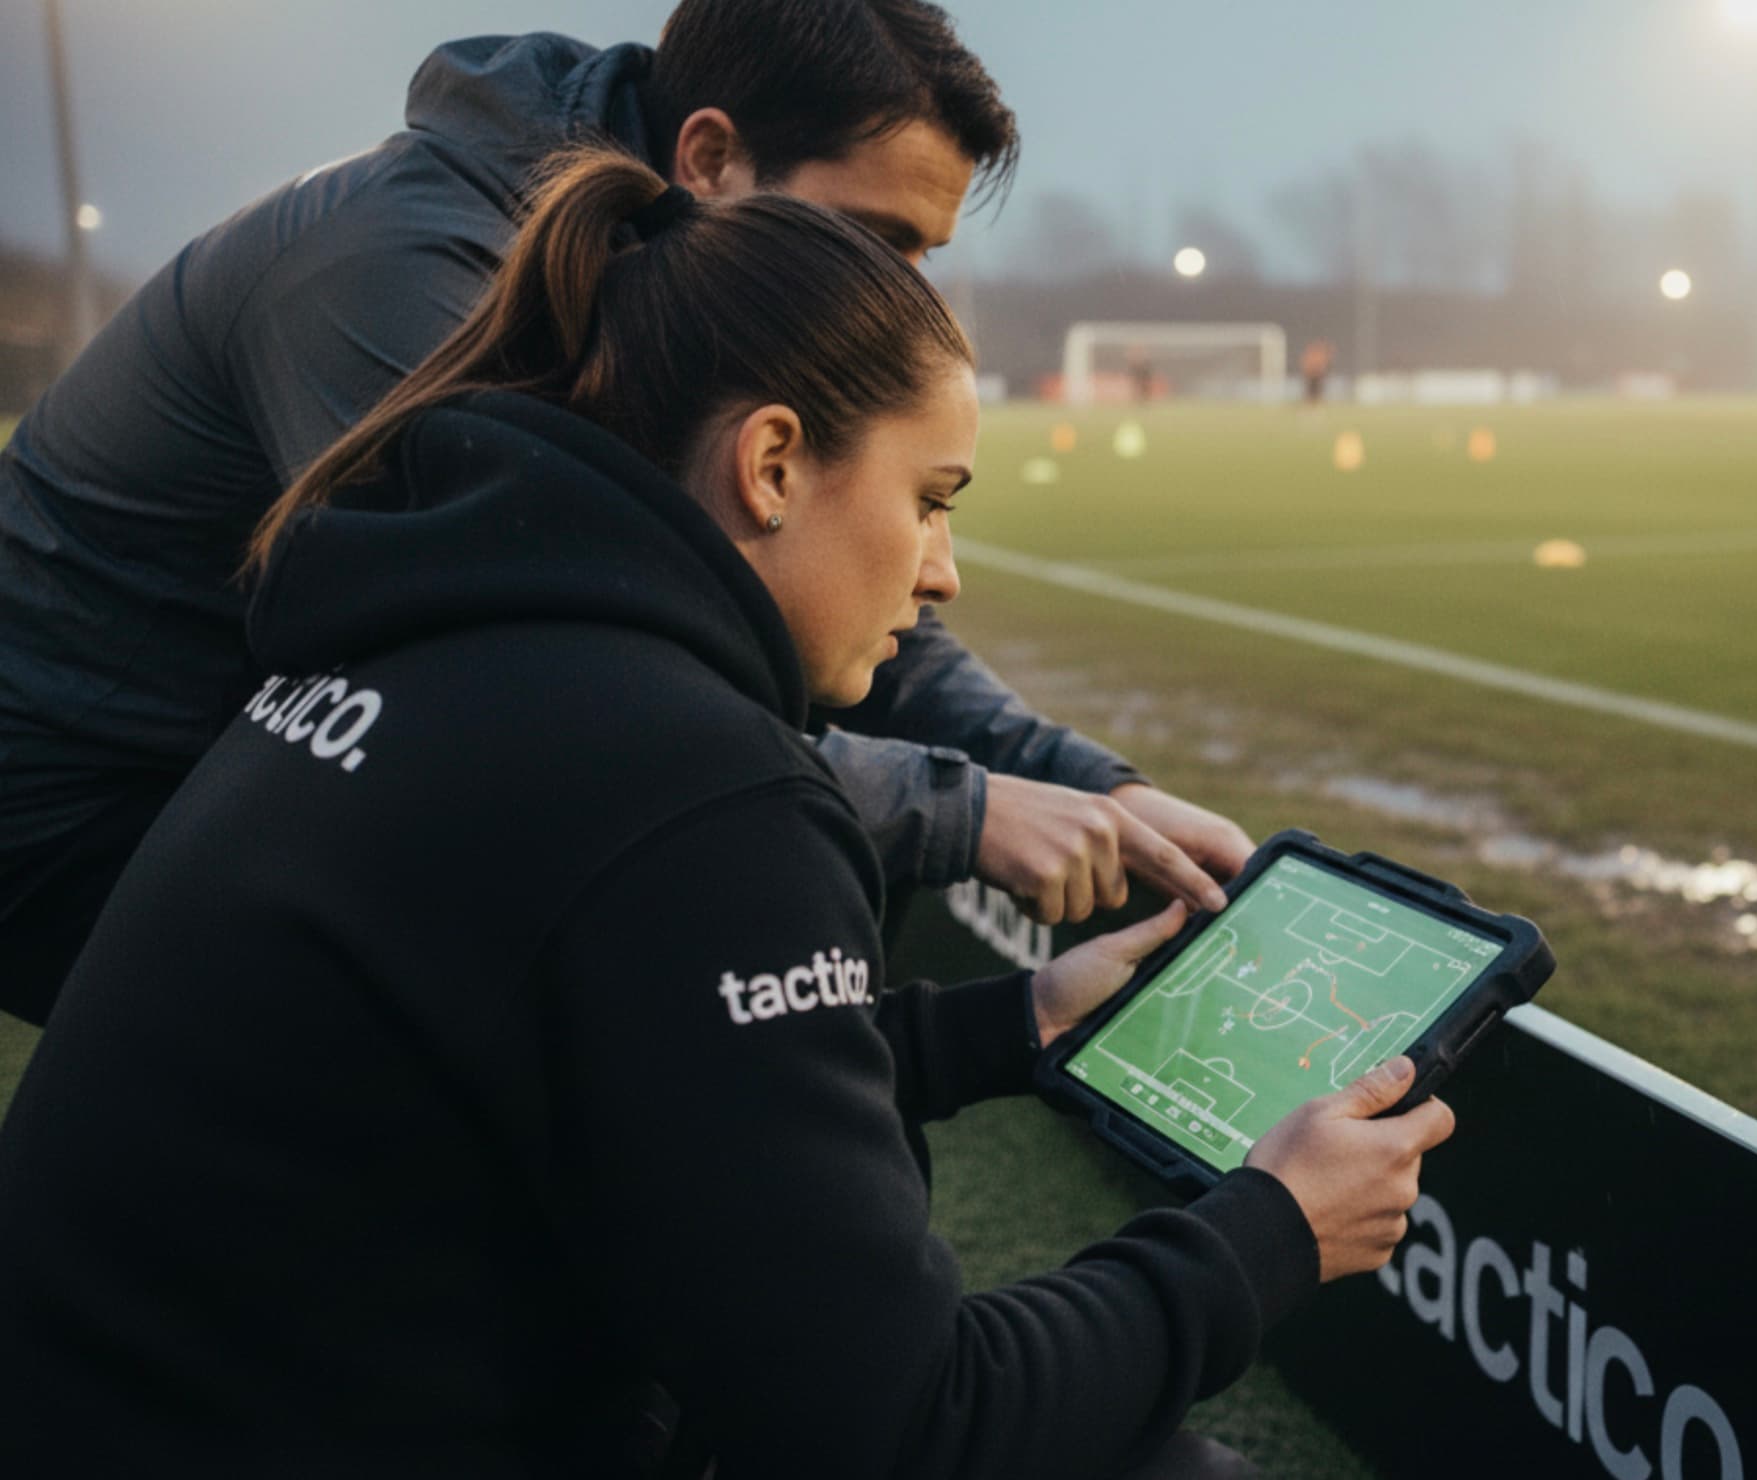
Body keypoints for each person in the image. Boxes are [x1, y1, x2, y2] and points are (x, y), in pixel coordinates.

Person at [0, 150, 1454, 1480]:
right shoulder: (691, 781)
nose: (943, 572)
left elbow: (636, 1077)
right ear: (770, 466)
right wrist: (1267, 1232)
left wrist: (1009, 1026)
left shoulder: (425, 639)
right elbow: (902, 1431)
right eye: (932, 498)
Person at [0, 0, 1247, 1029]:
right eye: (876, 237)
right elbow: (514, 703)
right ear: (707, 160)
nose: (895, 291)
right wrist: (960, 811)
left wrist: (1085, 784)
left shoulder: (660, 288)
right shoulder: (417, 278)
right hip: (86, 819)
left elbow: (804, 587)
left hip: (255, 778)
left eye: (921, 252)